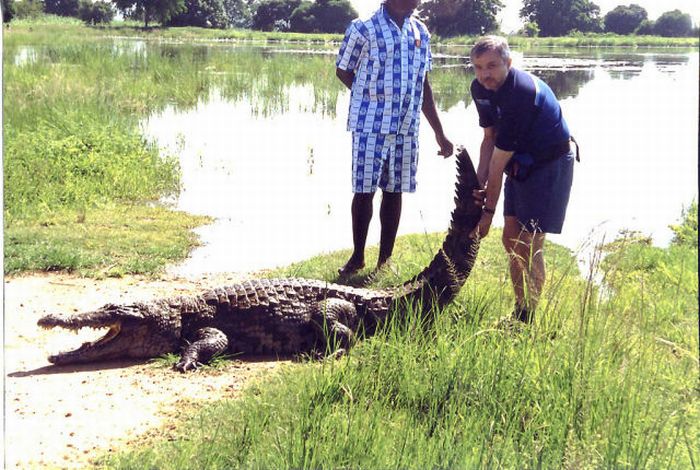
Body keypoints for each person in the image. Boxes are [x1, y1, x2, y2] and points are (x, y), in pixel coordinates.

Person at [335, 0, 453, 277]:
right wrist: (370, 98)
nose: (417, 2)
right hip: (370, 124)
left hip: (406, 125)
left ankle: (384, 260)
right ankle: (358, 256)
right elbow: (343, 69)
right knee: (364, 190)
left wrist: (439, 132)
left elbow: (423, 82)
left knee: (395, 189)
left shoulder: (420, 32)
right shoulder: (363, 28)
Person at [468, 35, 576, 324]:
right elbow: (489, 139)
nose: (485, 74)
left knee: (530, 243)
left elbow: (499, 160)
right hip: (520, 162)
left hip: (549, 164)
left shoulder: (521, 93)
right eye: (478, 67)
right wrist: (478, 183)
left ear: (509, 62)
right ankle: (520, 312)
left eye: (492, 65)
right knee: (511, 239)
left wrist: (487, 214)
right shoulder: (479, 88)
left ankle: (527, 318)